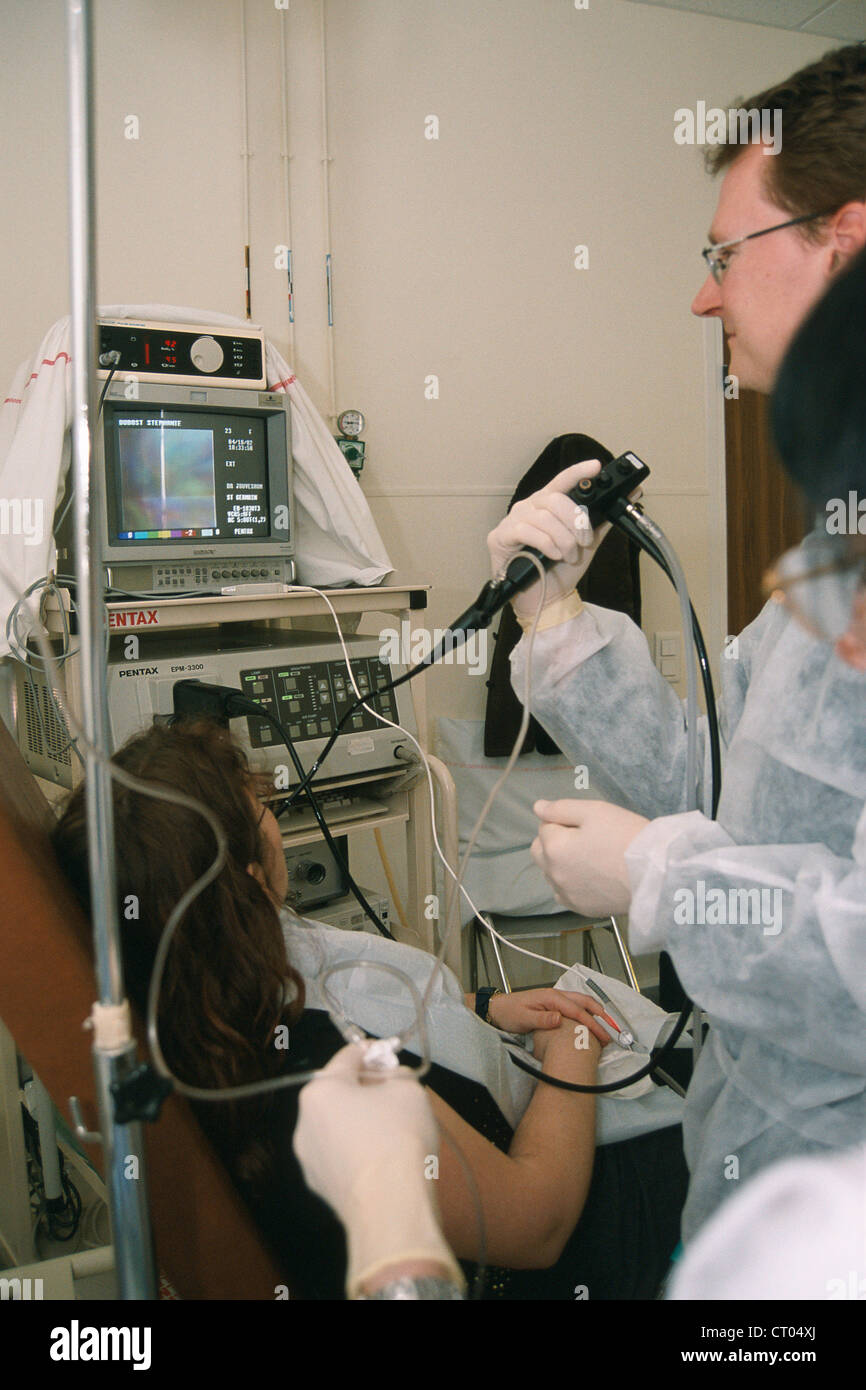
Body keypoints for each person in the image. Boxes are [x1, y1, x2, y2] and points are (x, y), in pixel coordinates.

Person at [485, 44, 866, 1247]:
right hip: (757, 1170)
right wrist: (550, 621)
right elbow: (716, 774)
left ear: (841, 242)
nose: (702, 297)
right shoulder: (834, 544)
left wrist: (660, 879)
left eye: (722, 255)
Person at [51, 717, 688, 1300]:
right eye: (265, 810)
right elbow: (535, 1226)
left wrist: (487, 1007)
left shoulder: (207, 992)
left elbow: (365, 1003)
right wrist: (572, 1048)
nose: (276, 823)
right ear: (246, 878)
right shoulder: (322, 1082)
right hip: (583, 1235)